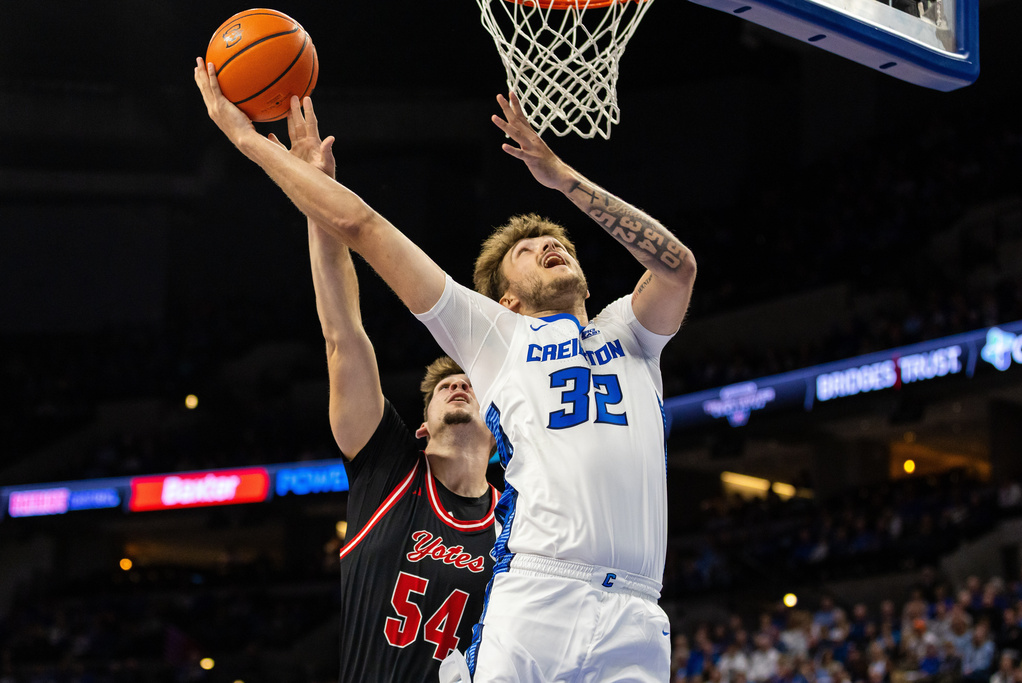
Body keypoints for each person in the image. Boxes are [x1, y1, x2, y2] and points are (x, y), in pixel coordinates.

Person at [195, 57, 696, 681]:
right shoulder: (497, 335)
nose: (548, 245)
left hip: (638, 612)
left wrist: (563, 178)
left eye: (555, 243)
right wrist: (249, 142)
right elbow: (363, 230)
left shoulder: (633, 335)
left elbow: (678, 267)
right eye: (525, 251)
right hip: (541, 593)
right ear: (504, 298)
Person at [290, 107, 498, 682]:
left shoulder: (517, 520)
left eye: (471, 386)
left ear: (498, 426)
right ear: (421, 428)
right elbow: (342, 334)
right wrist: (318, 196)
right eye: (442, 389)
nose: (459, 384)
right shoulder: (390, 470)